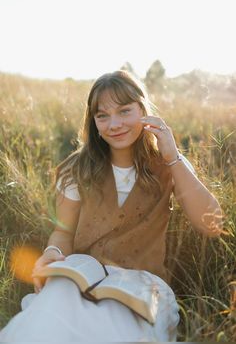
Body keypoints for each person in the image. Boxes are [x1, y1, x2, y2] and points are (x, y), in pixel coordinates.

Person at [0, 70, 223, 342]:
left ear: (143, 109)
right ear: (93, 121)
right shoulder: (77, 168)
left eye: (124, 111)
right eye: (102, 115)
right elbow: (64, 232)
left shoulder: (169, 164)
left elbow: (212, 225)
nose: (114, 124)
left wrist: (173, 158)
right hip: (81, 274)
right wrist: (52, 250)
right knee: (48, 323)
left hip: (141, 284)